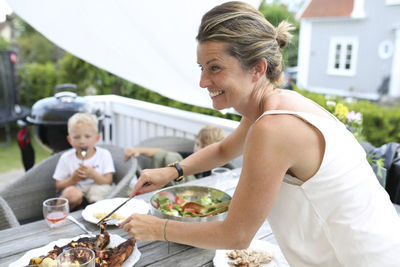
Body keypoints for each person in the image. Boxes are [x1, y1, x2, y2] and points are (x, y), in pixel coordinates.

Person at [120, 2, 400, 266]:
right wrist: (172, 171)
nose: (203, 81)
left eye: (215, 67)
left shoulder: (274, 127)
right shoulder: (273, 106)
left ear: (257, 68)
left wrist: (158, 228)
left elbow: (237, 235)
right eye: (201, 67)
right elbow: (223, 150)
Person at [124, 125, 226, 185]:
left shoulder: (218, 166)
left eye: (204, 148)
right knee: (165, 156)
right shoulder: (193, 156)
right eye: (197, 144)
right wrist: (139, 150)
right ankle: (159, 183)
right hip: (177, 186)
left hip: (198, 191)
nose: (198, 150)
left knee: (172, 158)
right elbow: (161, 152)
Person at [53, 113, 115, 210]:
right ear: (70, 140)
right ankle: (57, 213)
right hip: (73, 196)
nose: (82, 141)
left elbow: (108, 181)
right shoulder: (66, 158)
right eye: (76, 137)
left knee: (101, 193)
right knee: (73, 194)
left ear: (97, 138)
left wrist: (93, 174)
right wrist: (73, 179)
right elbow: (58, 186)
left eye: (87, 136)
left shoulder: (104, 155)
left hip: (95, 197)